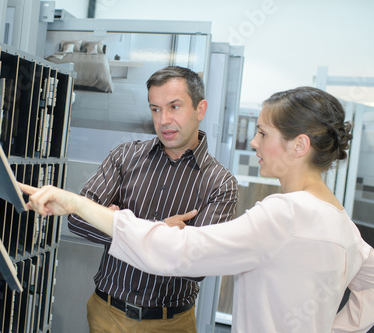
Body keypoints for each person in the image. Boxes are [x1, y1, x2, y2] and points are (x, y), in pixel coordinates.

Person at [19, 86, 374, 333]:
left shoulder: (285, 214)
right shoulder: (344, 226)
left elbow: (181, 252)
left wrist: (76, 202)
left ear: (299, 145)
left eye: (263, 133)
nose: (253, 142)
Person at [67, 66, 239, 331]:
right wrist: (163, 234)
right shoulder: (124, 156)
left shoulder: (220, 183)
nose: (163, 120)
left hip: (170, 323)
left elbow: (198, 264)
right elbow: (78, 217)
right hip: (107, 314)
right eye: (155, 109)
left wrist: (115, 221)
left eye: (174, 107)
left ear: (200, 109)